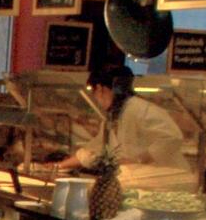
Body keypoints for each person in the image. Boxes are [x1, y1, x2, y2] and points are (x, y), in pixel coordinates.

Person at [61, 64, 196, 191]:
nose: (96, 98)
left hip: (169, 182)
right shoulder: (115, 115)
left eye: (94, 92)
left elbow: (171, 137)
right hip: (143, 182)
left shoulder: (140, 109)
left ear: (100, 89)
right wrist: (59, 166)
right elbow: (95, 150)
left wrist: (139, 159)